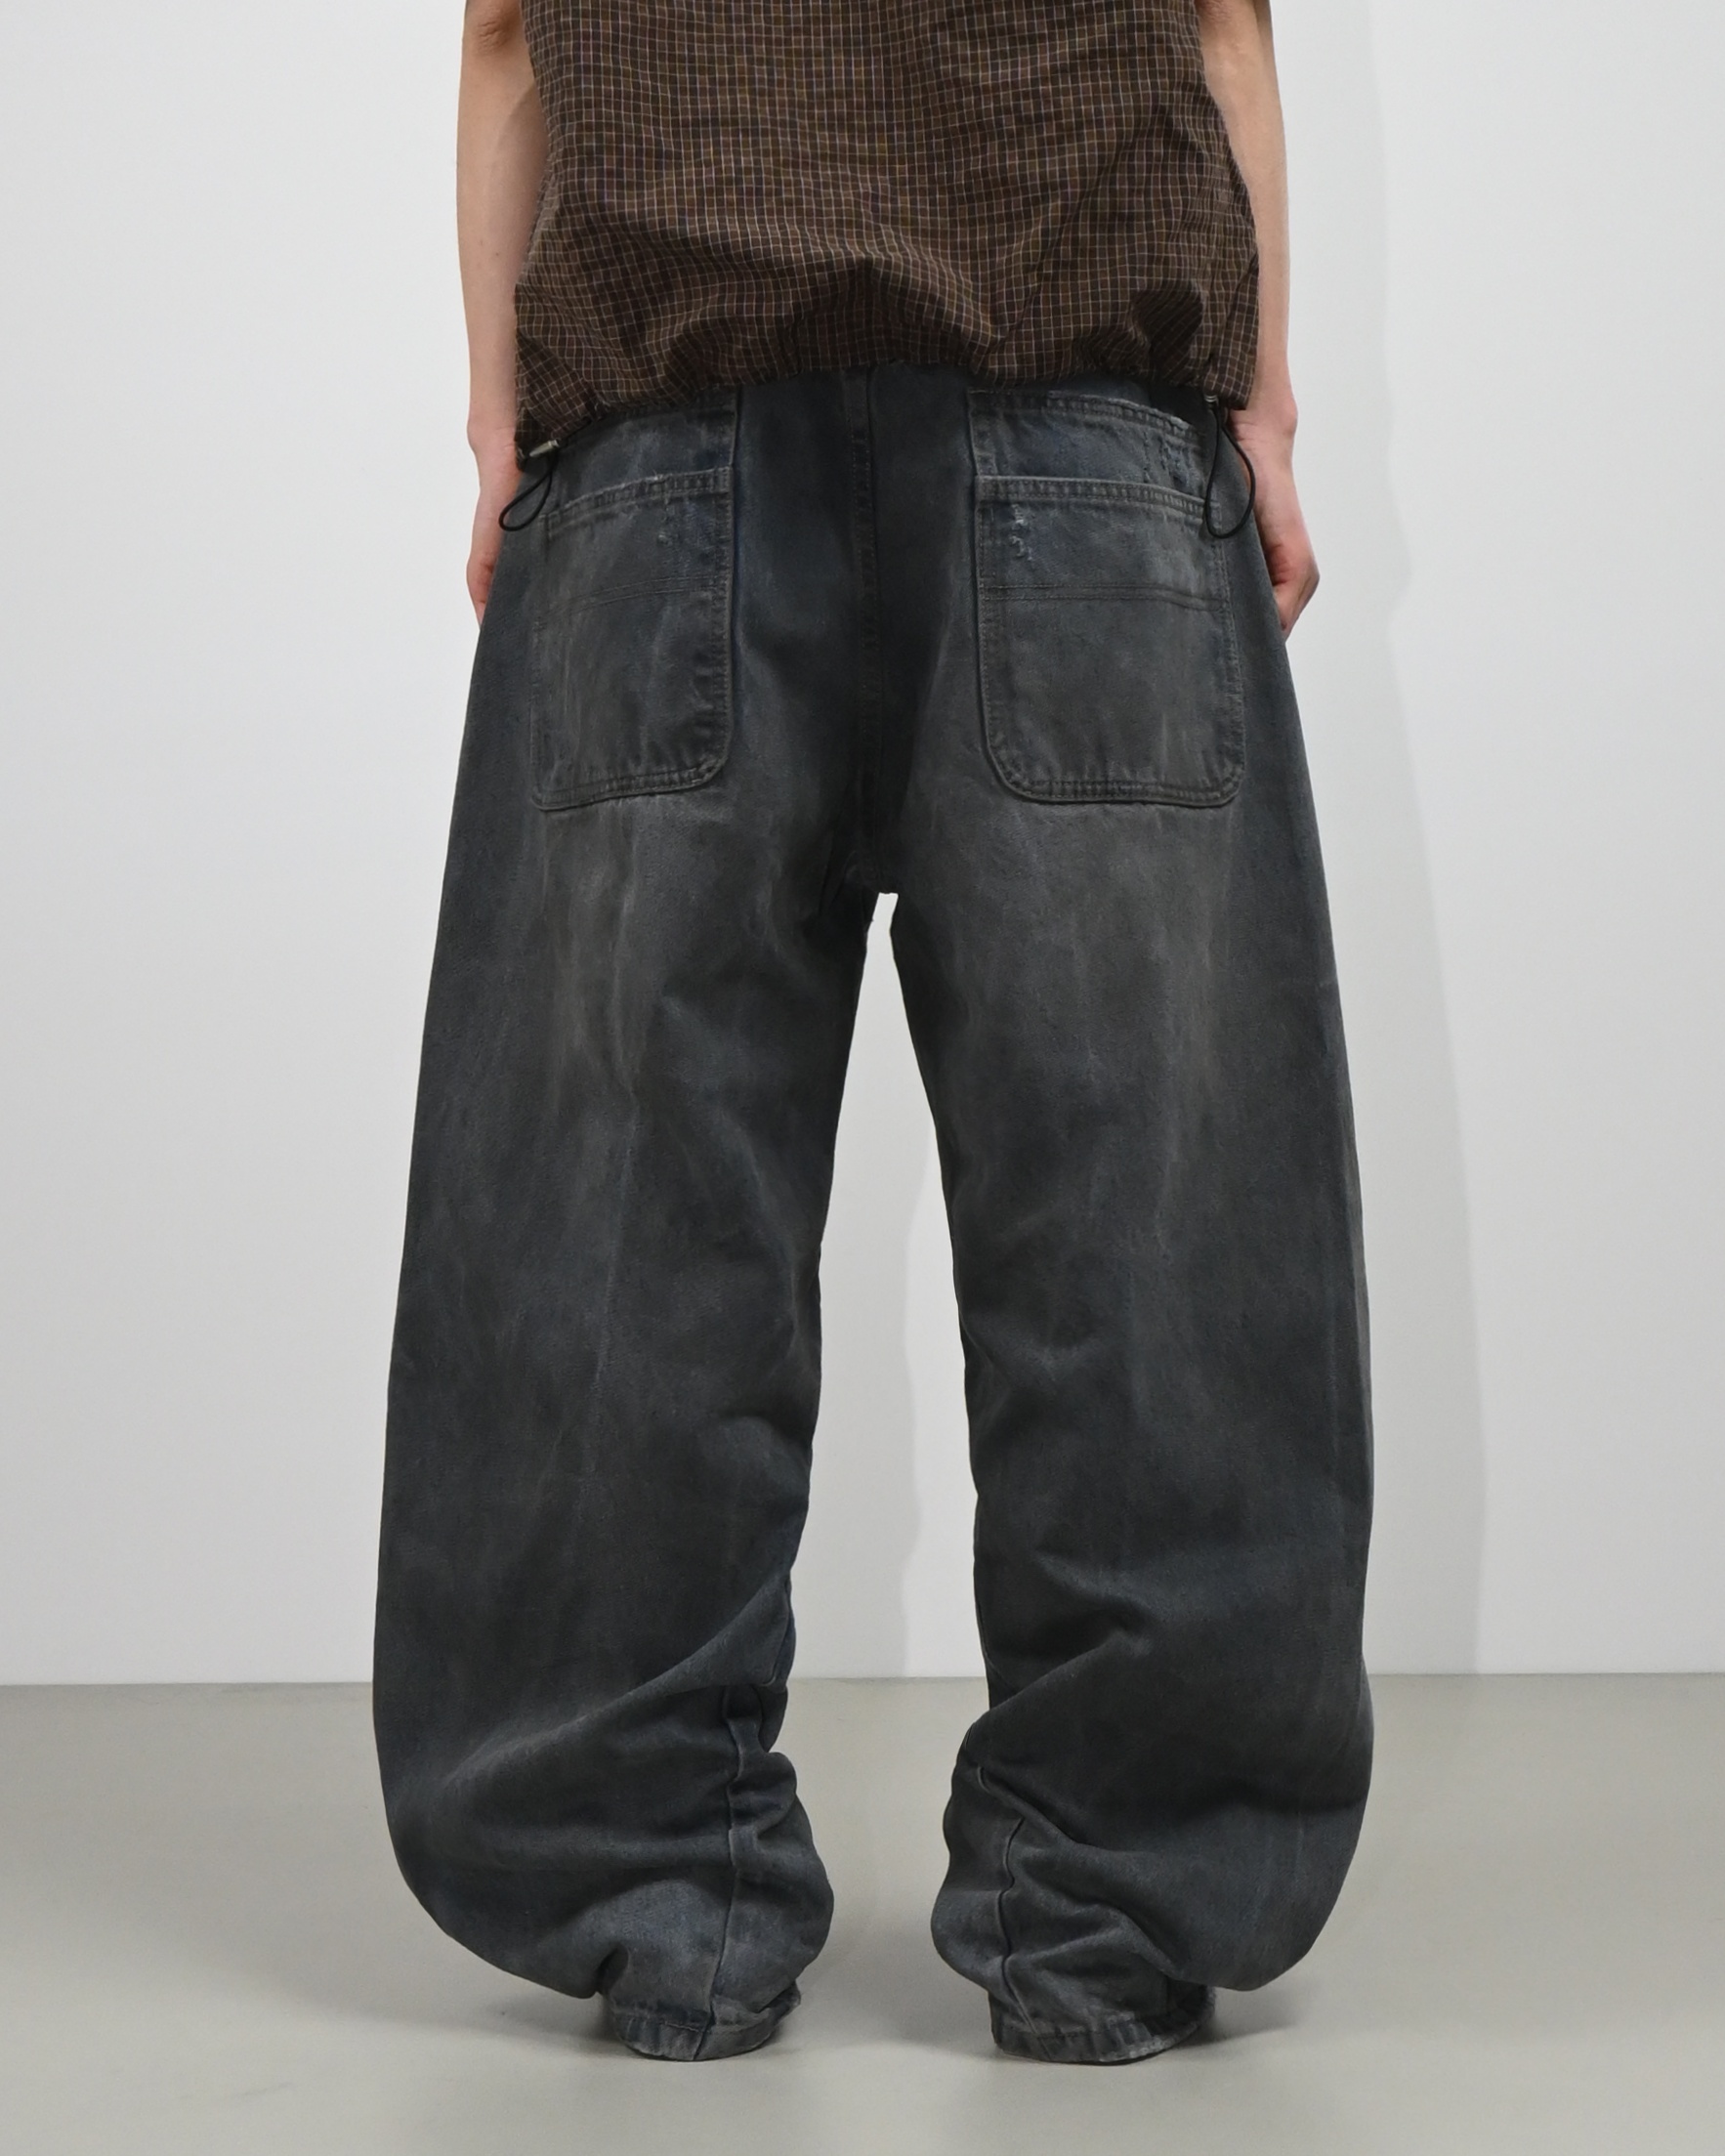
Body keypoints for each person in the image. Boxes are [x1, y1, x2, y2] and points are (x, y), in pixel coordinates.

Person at [373, 0, 1373, 2067]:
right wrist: (1262, 403)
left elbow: (505, 41)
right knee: (1149, 1223)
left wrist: (498, 418)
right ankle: (1115, 1911)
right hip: (1088, 444)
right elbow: (1217, 18)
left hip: (664, 462)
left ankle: (654, 1900)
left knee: (618, 1230)